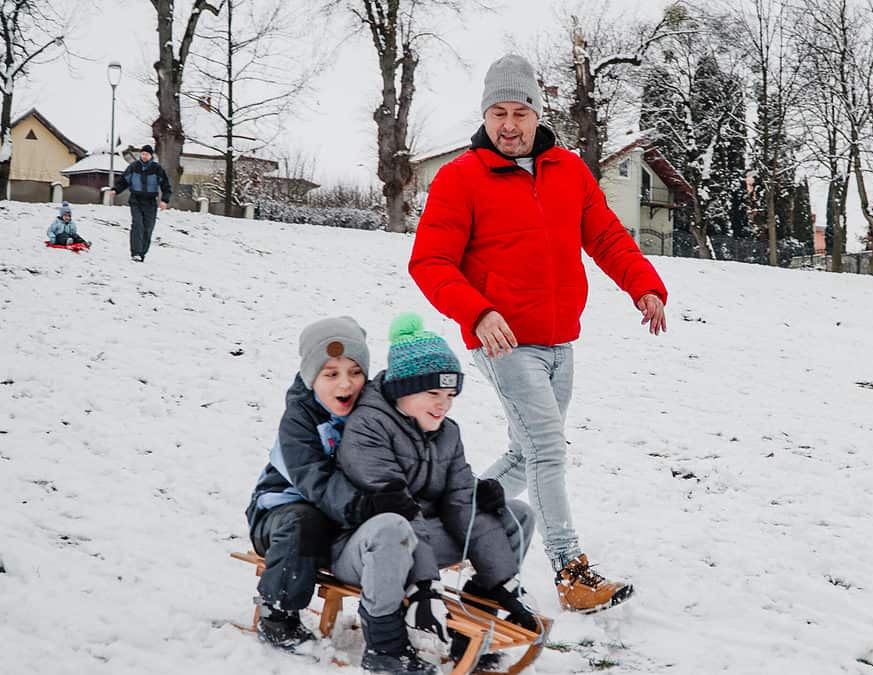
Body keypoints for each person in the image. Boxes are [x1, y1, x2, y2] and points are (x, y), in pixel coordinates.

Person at [409, 53, 668, 614]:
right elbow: (429, 261)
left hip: (559, 340)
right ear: (485, 115)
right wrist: (477, 313)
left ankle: (449, 522)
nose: (508, 124)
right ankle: (570, 572)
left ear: (536, 112)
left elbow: (606, 237)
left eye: (519, 112)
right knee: (548, 451)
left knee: (526, 457)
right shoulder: (461, 178)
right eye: (497, 112)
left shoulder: (568, 171)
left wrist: (643, 285)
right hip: (503, 342)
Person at [336, 313, 540, 671]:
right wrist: (426, 587)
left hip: (419, 540)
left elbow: (460, 499)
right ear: (402, 389)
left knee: (515, 513)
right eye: (433, 393)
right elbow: (398, 509)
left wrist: (503, 579)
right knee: (392, 526)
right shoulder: (367, 428)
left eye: (450, 394)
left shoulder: (447, 432)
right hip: (363, 548)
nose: (443, 404)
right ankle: (385, 649)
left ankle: (476, 615)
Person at [246, 316, 423, 666]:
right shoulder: (298, 421)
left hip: (346, 521)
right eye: (331, 374)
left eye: (356, 372)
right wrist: (365, 506)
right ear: (311, 378)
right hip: (282, 515)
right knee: (304, 522)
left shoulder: (375, 414)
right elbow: (316, 481)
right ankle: (278, 615)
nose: (346, 384)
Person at [112, 144, 171, 262]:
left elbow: (165, 185)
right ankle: (135, 252)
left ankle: (142, 252)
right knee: (137, 225)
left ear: (151, 156)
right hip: (136, 200)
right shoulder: (133, 167)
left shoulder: (157, 168)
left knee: (148, 228)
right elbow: (123, 180)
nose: (144, 156)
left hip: (150, 202)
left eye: (147, 154)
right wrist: (115, 190)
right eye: (143, 154)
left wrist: (164, 200)